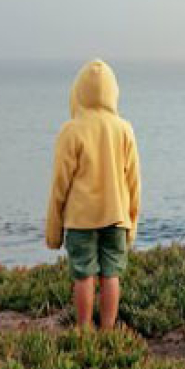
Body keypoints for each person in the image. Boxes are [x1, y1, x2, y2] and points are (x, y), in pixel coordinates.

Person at [45, 59, 141, 330]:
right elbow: (134, 182)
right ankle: (108, 331)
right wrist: (131, 224)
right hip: (116, 217)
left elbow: (59, 185)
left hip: (80, 219)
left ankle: (84, 330)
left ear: (77, 92)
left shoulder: (71, 130)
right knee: (112, 274)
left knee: (84, 274)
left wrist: (54, 231)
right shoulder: (124, 129)